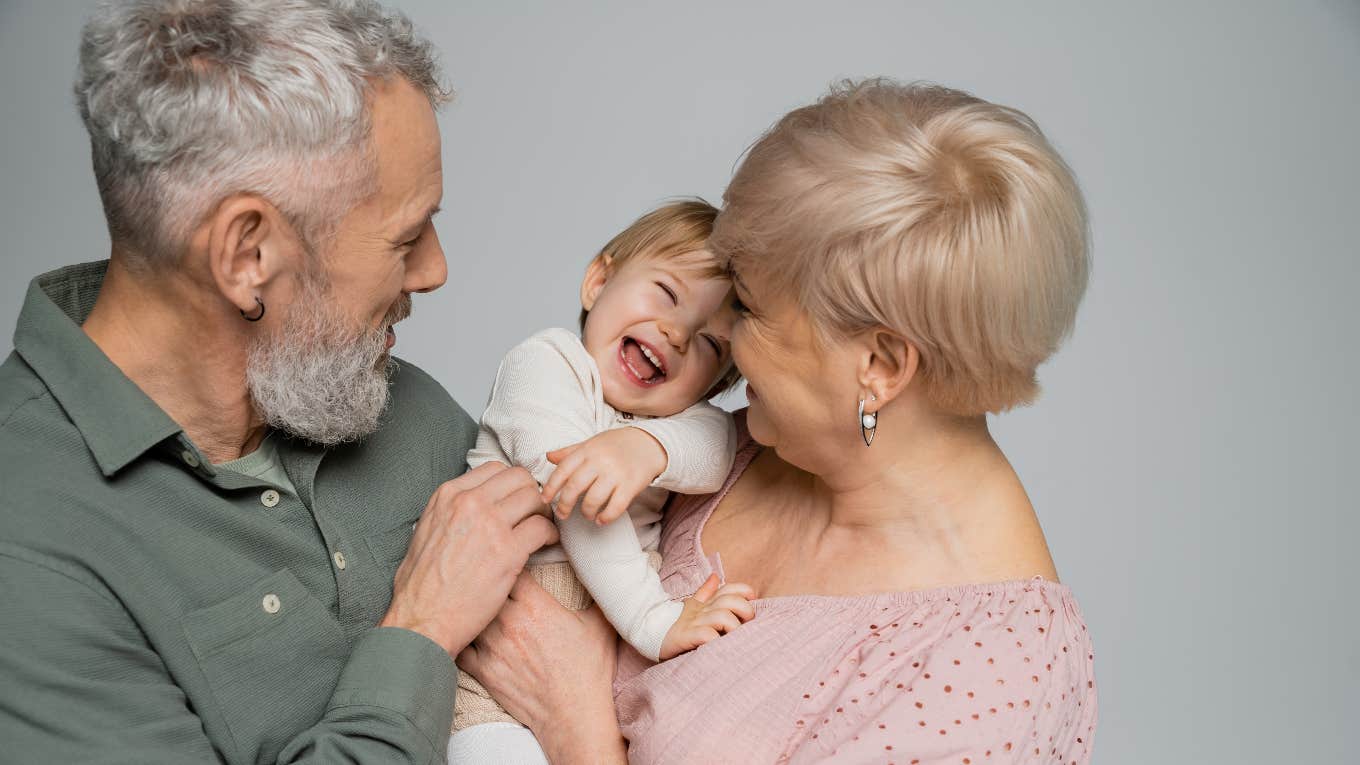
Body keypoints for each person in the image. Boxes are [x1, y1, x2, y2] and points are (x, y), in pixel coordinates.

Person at [0, 1, 604, 762]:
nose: (436, 270)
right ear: (247, 254)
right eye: (407, 236)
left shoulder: (387, 400)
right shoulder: (25, 552)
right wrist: (420, 631)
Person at [460, 79, 1100, 763]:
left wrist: (575, 721)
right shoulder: (727, 447)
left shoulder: (986, 674)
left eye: (751, 309)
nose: (721, 341)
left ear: (880, 364)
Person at [449, 200, 756, 761]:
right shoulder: (546, 365)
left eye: (711, 344)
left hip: (603, 668)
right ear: (598, 282)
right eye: (666, 293)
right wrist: (654, 621)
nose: (677, 332)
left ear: (714, 387)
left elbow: (716, 451)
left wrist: (645, 446)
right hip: (491, 663)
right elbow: (581, 505)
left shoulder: (683, 422)